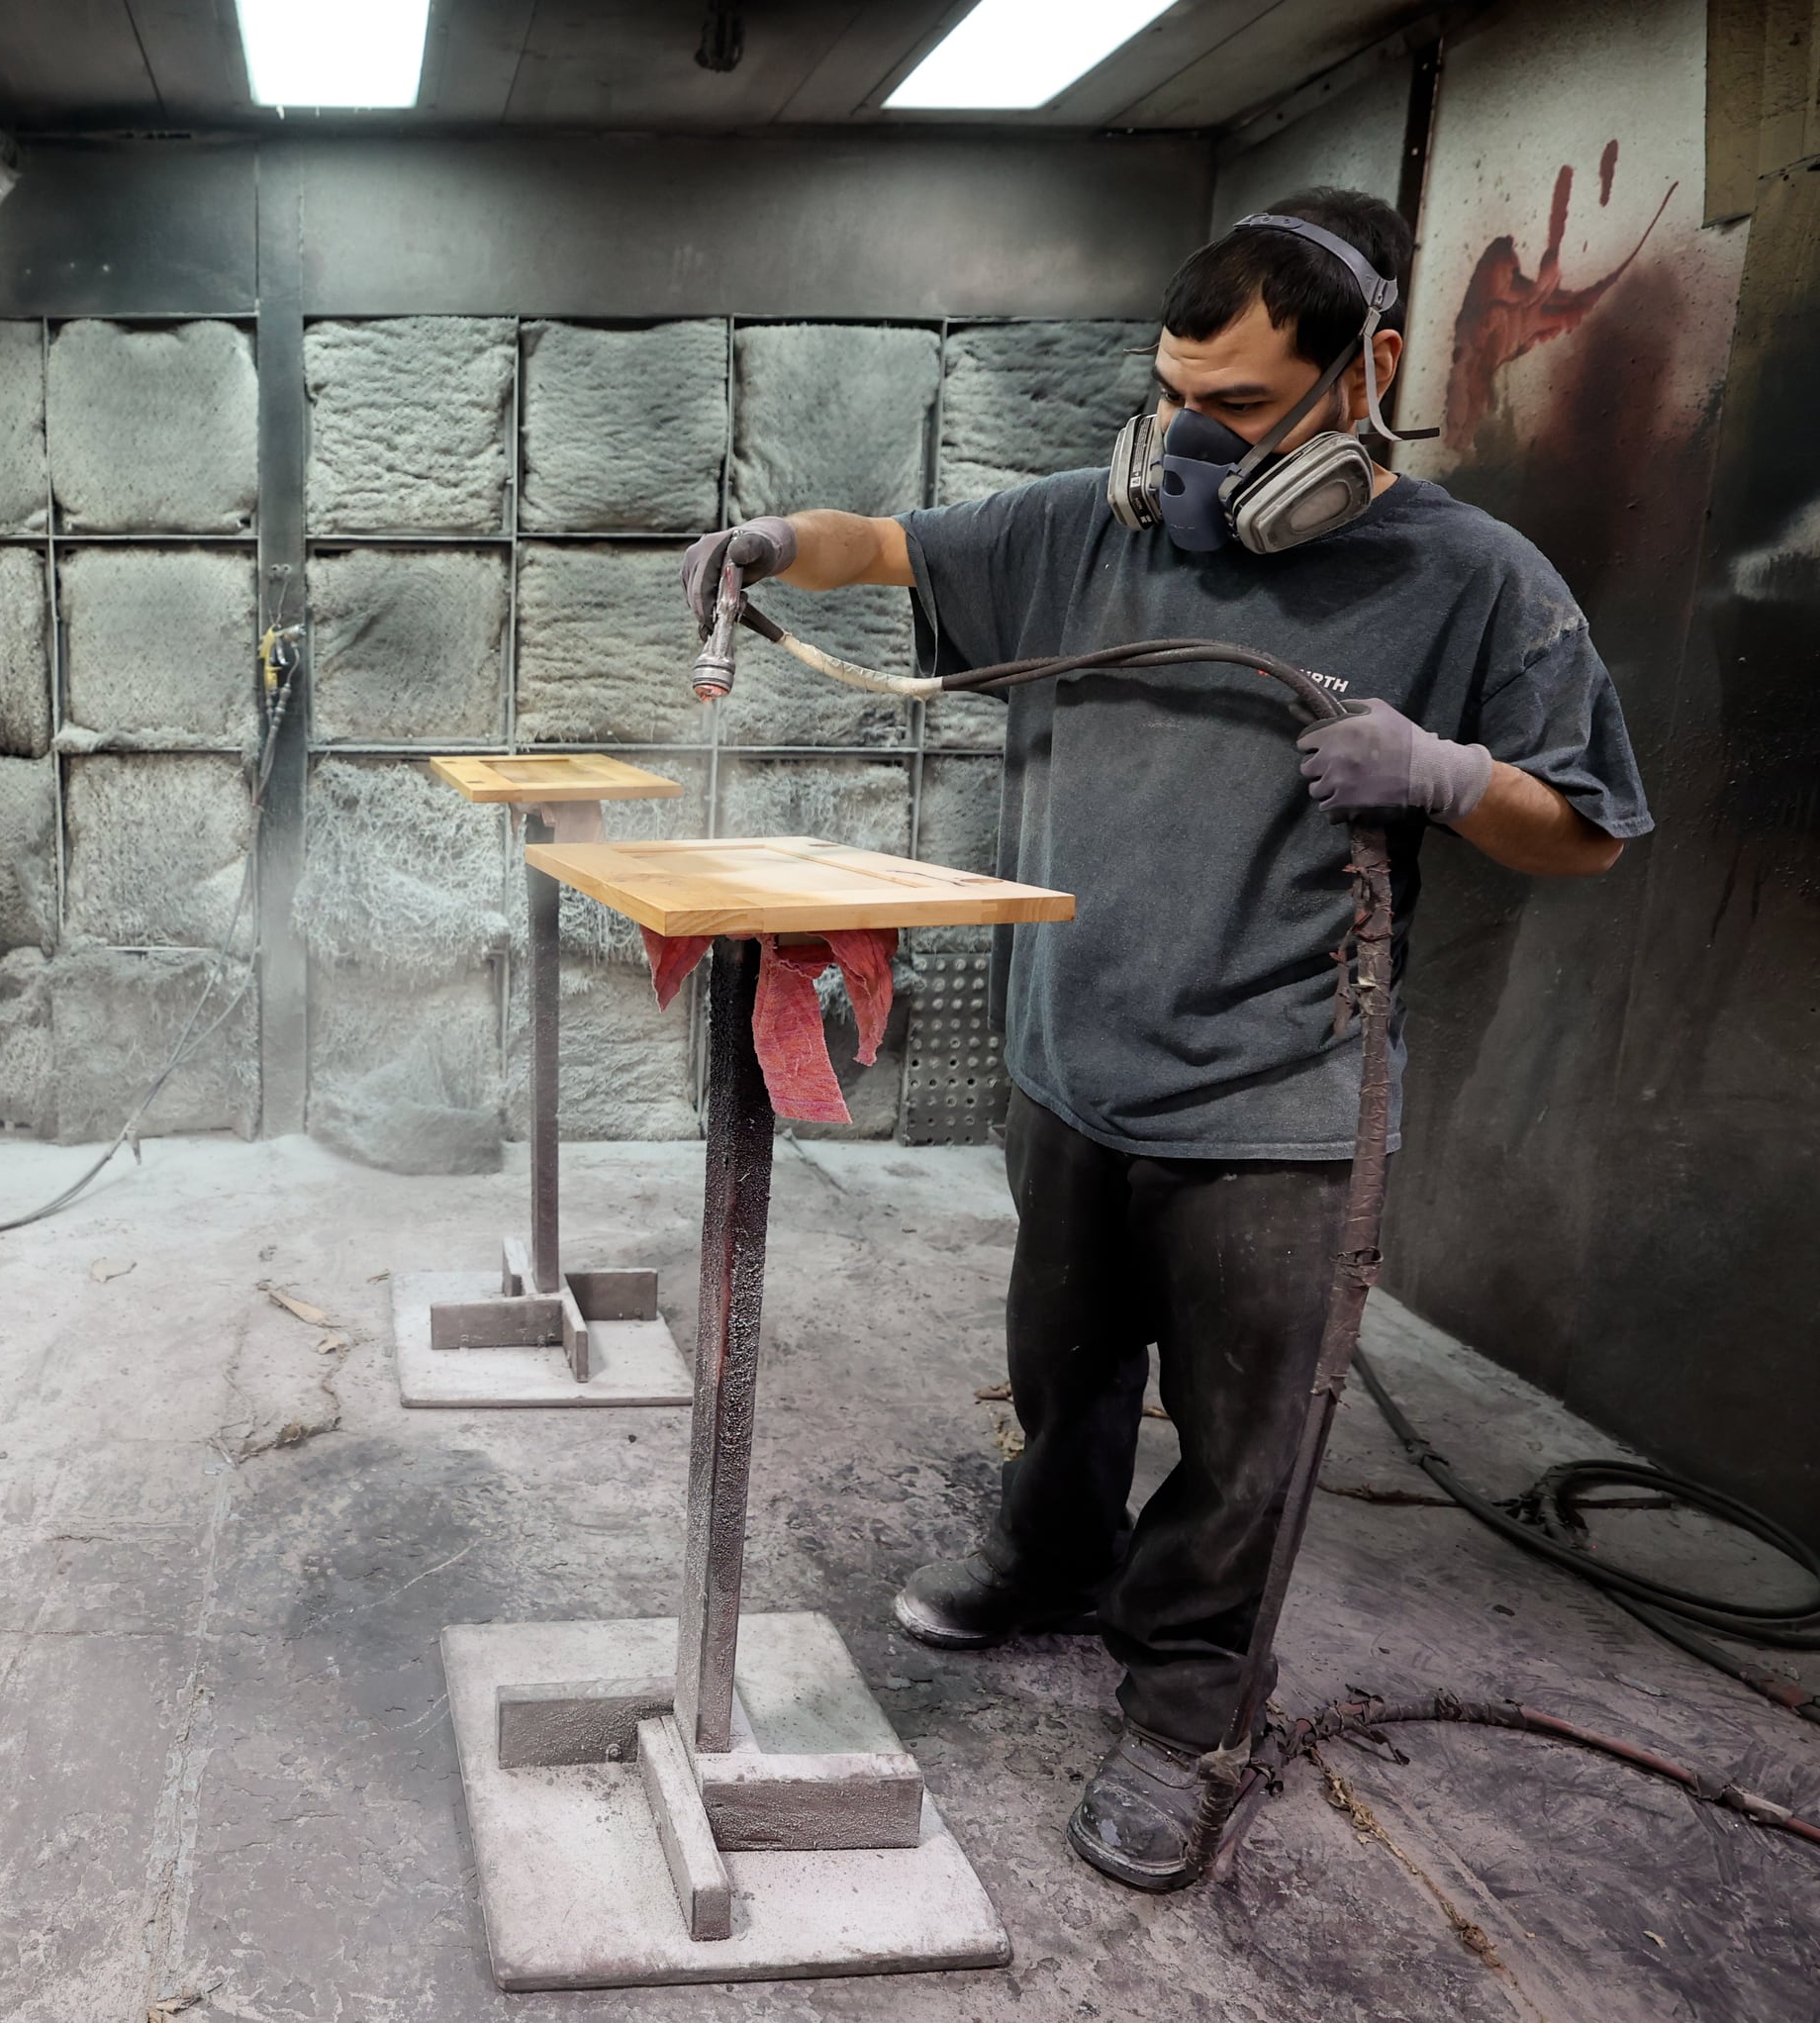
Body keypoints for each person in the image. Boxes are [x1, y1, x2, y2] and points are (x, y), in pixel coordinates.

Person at [679, 186, 1650, 1892]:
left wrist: (1444, 775)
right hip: (1073, 1062)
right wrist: (771, 545)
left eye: (1250, 411)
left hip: (1281, 1098)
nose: (1197, 443)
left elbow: (1583, 827)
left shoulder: (1477, 582)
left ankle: (1190, 1705)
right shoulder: (1092, 526)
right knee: (1062, 1369)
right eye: (1177, 394)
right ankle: (1051, 1559)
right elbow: (890, 543)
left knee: (1243, 1433)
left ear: (1374, 375)